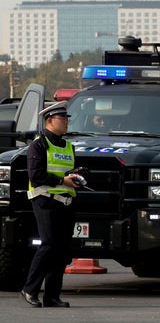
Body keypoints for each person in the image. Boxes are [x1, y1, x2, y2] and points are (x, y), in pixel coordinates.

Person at [20, 101, 81, 308]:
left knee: (61, 250)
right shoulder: (38, 145)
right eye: (62, 119)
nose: (66, 122)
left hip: (66, 202)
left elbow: (64, 172)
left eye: (66, 119)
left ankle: (52, 296)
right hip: (45, 200)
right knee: (48, 245)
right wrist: (62, 180)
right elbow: (36, 176)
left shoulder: (69, 146)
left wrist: (75, 177)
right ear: (49, 121)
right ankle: (29, 289)